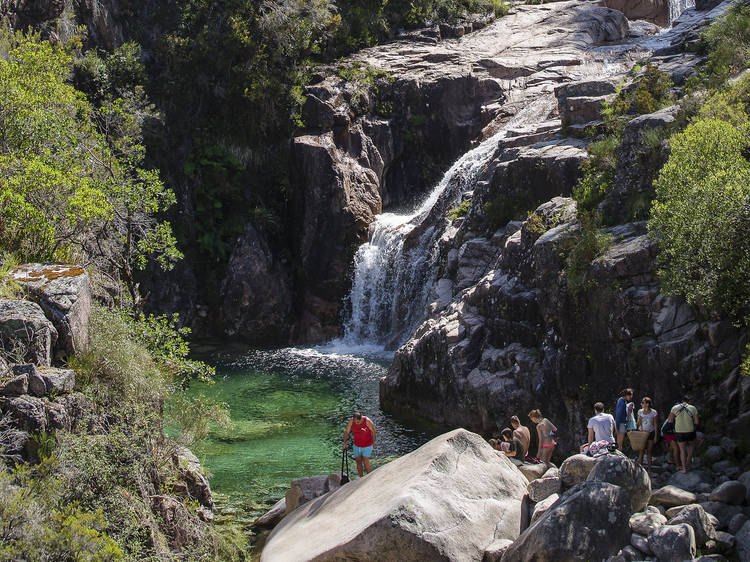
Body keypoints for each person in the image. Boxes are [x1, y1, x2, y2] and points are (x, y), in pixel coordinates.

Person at [669, 400, 698, 474]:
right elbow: (696, 422)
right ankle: (688, 463)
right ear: (689, 402)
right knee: (691, 447)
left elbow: (670, 420)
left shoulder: (675, 408)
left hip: (679, 431)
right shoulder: (693, 408)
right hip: (690, 431)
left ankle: (684, 469)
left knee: (682, 450)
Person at [342, 412, 376, 477]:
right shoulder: (351, 421)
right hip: (356, 445)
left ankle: (369, 478)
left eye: (357, 422)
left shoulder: (367, 421)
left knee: (366, 462)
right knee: (358, 461)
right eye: (355, 422)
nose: (356, 423)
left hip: (367, 445)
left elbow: (373, 431)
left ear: (361, 419)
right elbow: (347, 432)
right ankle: (361, 478)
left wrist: (373, 442)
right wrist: (344, 442)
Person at [636, 397, 659, 472]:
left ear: (648, 404)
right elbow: (637, 424)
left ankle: (649, 469)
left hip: (650, 432)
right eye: (642, 402)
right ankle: (640, 469)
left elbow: (655, 424)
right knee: (641, 450)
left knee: (649, 451)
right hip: (642, 433)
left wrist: (655, 435)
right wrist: (639, 420)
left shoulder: (653, 412)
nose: (642, 404)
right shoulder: (640, 411)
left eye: (643, 402)